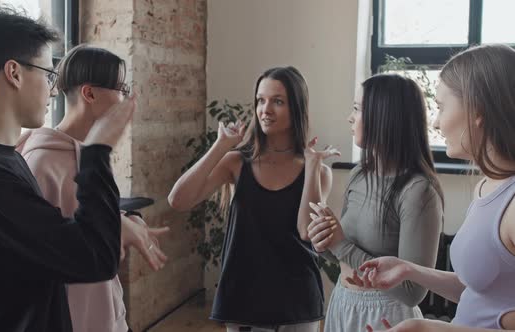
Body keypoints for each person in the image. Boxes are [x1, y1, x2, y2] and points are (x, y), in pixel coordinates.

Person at [0, 4, 135, 331]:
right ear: (14, 73)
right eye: (48, 74)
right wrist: (98, 148)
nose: (53, 90)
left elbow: (59, 244)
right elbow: (94, 257)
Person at [349, 44, 515, 331]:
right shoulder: (486, 188)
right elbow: (479, 294)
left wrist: (425, 328)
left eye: (440, 107)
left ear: (478, 109)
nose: (436, 123)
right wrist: (411, 271)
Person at [168, 66, 340, 331]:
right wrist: (220, 146)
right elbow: (178, 200)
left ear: (296, 108)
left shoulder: (318, 171)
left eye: (277, 101)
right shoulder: (236, 162)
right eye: (261, 100)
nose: (265, 109)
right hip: (243, 298)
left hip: (298, 300)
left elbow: (307, 232)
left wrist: (313, 166)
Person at [16, 44, 169, 332]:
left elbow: (88, 224)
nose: (126, 98)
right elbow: (54, 255)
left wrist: (123, 221)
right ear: (90, 93)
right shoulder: (42, 162)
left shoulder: (88, 154)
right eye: (121, 88)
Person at [307, 73, 444, 331]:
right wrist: (323, 241)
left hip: (387, 316)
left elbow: (413, 292)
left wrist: (340, 244)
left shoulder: (418, 191)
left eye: (357, 109)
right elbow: (342, 254)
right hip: (342, 303)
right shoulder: (359, 174)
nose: (350, 117)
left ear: (384, 117)